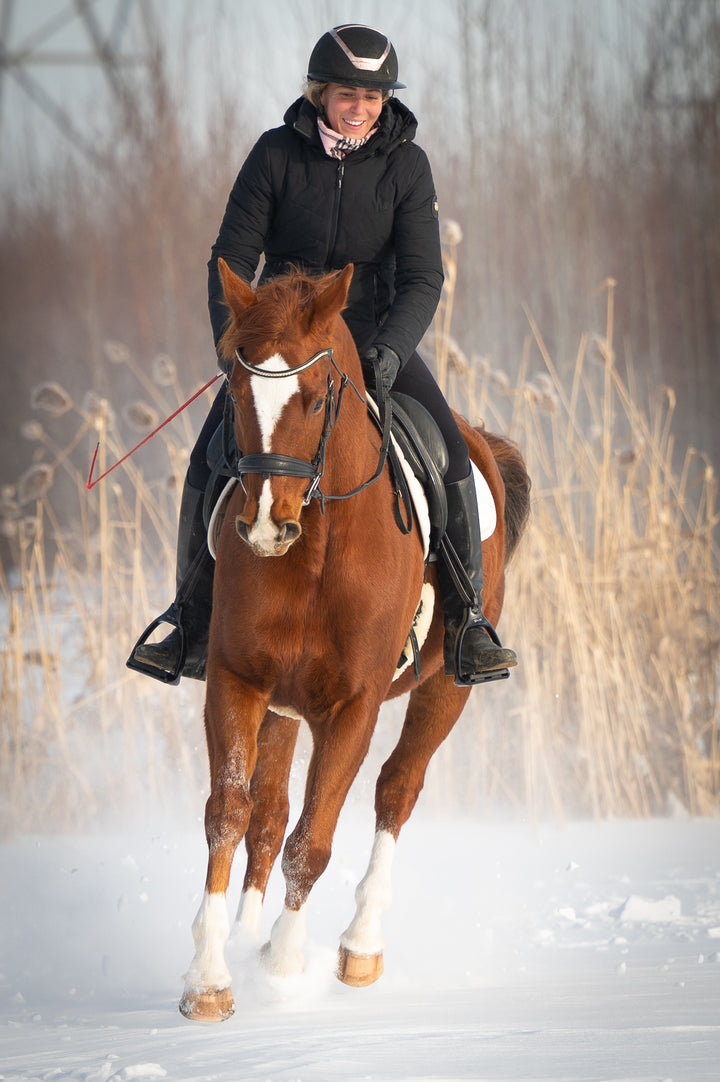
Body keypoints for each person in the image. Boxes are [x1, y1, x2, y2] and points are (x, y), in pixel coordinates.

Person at [128, 23, 517, 687]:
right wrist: (241, 355)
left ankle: (468, 624)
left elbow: (424, 277)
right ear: (319, 94)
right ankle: (189, 622)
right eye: (348, 94)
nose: (361, 107)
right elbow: (230, 256)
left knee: (450, 453)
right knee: (207, 459)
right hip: (283, 351)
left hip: (371, 340)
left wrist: (391, 353)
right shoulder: (275, 155)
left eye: (374, 96)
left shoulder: (406, 166)